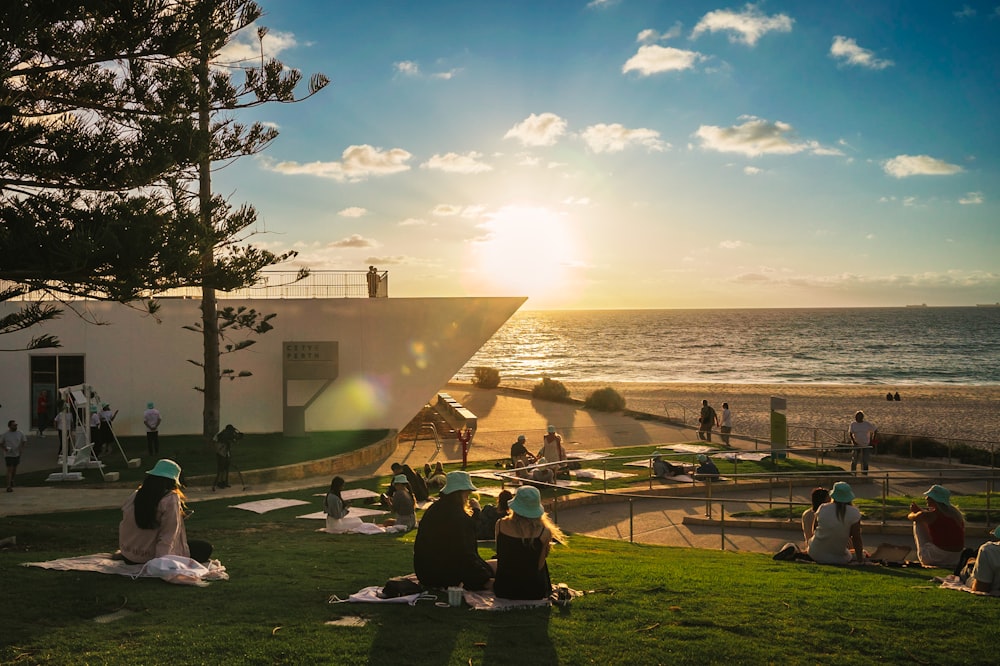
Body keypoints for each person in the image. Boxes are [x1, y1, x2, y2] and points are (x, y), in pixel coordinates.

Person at [116, 459, 212, 564]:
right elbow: (168, 534)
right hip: (149, 557)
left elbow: (126, 523)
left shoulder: (136, 495)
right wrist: (160, 562)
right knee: (205, 548)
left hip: (128, 555)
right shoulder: (170, 499)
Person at [413, 471, 493, 590]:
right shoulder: (457, 515)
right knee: (489, 572)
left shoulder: (434, 509)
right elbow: (466, 552)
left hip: (425, 571)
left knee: (488, 567)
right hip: (444, 574)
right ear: (462, 493)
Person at [493, 486, 565, 600]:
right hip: (533, 591)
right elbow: (539, 566)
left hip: (504, 589)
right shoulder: (544, 532)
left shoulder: (500, 525)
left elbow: (501, 554)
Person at [907, 485, 966, 569]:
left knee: (918, 522)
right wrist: (920, 512)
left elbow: (912, 517)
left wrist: (915, 512)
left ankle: (923, 557)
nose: (926, 498)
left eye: (929, 497)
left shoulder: (930, 515)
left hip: (937, 557)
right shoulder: (955, 514)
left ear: (935, 500)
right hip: (956, 557)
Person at [807, 481, 864, 565]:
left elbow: (814, 530)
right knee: (852, 554)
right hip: (838, 557)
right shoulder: (854, 513)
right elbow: (856, 538)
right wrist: (860, 560)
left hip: (814, 552)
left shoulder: (822, 508)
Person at [962, 526, 1000, 594]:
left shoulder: (989, 551)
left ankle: (970, 561)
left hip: (978, 576)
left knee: (969, 569)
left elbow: (980, 588)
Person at [848, 411, 877, 476]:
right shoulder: (853, 424)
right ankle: (853, 473)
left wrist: (873, 439)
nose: (857, 418)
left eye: (858, 417)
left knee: (865, 460)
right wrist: (854, 441)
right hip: (856, 445)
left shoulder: (867, 424)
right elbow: (850, 433)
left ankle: (864, 474)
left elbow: (875, 430)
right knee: (854, 460)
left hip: (865, 445)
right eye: (856, 417)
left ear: (862, 417)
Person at [213, 424, 241, 490]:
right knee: (221, 469)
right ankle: (220, 482)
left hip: (225, 453)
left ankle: (224, 482)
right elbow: (217, 442)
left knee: (225, 468)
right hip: (221, 453)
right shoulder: (222, 435)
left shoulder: (223, 434)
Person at [3, 419, 28, 492]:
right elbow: (1, 443)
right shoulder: (5, 434)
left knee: (14, 469)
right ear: (10, 426)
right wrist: (5, 448)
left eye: (16, 425)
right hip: (8, 454)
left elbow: (24, 441)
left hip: (16, 454)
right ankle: (8, 486)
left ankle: (12, 480)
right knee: (9, 469)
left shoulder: (20, 433)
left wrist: (21, 449)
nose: (15, 426)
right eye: (14, 425)